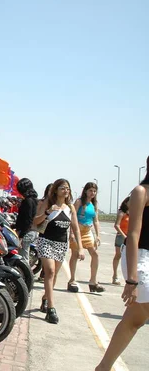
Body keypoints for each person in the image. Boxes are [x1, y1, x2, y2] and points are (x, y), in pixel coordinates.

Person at [96, 157, 149, 371]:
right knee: (136, 316)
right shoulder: (141, 192)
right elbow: (133, 234)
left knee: (135, 319)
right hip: (141, 255)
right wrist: (132, 279)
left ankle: (103, 368)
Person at [34, 178, 84, 324]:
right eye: (62, 187)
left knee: (54, 275)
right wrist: (47, 212)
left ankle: (45, 298)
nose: (65, 190)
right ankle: (51, 309)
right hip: (46, 241)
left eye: (67, 188)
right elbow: (35, 221)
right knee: (49, 271)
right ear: (56, 189)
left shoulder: (70, 208)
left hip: (61, 244)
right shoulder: (47, 203)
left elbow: (75, 228)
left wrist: (80, 247)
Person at [68, 182, 104, 293]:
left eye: (94, 191)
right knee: (75, 255)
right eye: (90, 190)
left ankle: (93, 281)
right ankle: (72, 280)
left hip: (88, 231)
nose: (92, 193)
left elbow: (96, 220)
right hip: (77, 230)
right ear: (85, 191)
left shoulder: (94, 204)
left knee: (95, 254)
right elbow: (72, 217)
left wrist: (98, 235)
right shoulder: (79, 202)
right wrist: (72, 233)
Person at [15, 178, 39, 262]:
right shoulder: (35, 200)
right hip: (33, 231)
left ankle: (26, 274)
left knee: (23, 259)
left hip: (27, 232)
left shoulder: (27, 201)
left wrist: (21, 236)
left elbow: (27, 220)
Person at [112, 197, 131, 285]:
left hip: (130, 237)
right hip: (121, 237)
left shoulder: (133, 213)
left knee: (130, 258)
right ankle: (115, 276)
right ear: (126, 203)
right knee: (118, 255)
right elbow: (116, 225)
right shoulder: (121, 213)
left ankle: (129, 278)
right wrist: (124, 236)